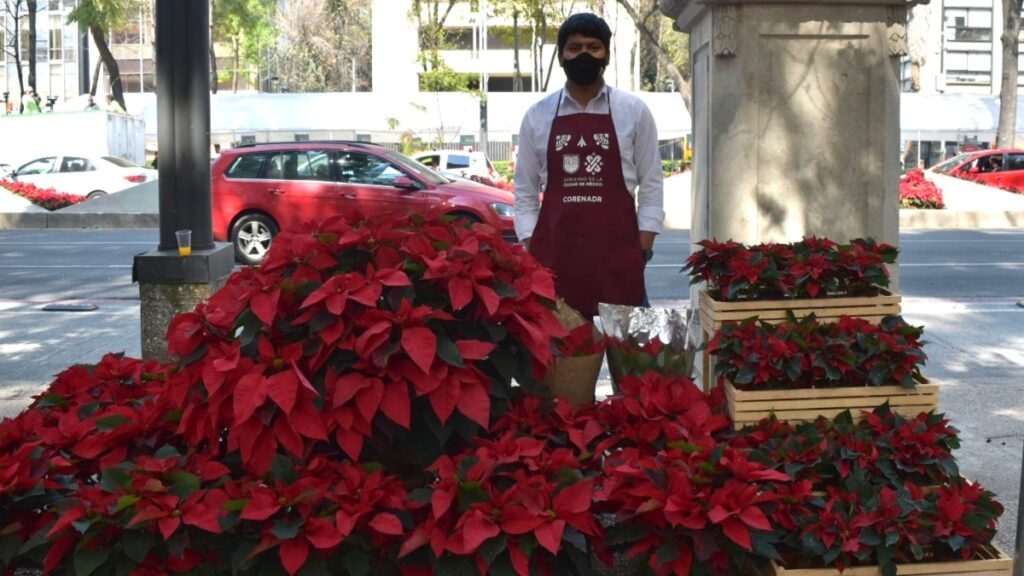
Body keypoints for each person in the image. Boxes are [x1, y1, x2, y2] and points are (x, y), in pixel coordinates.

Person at [513, 12, 664, 318]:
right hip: (555, 266)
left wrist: (642, 250)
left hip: (619, 264)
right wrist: (533, 248)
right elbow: (524, 193)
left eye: (593, 47)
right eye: (575, 47)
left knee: (631, 363)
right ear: (561, 57)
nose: (584, 54)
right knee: (565, 364)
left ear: (606, 54)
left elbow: (651, 186)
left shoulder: (633, 111)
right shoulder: (537, 116)